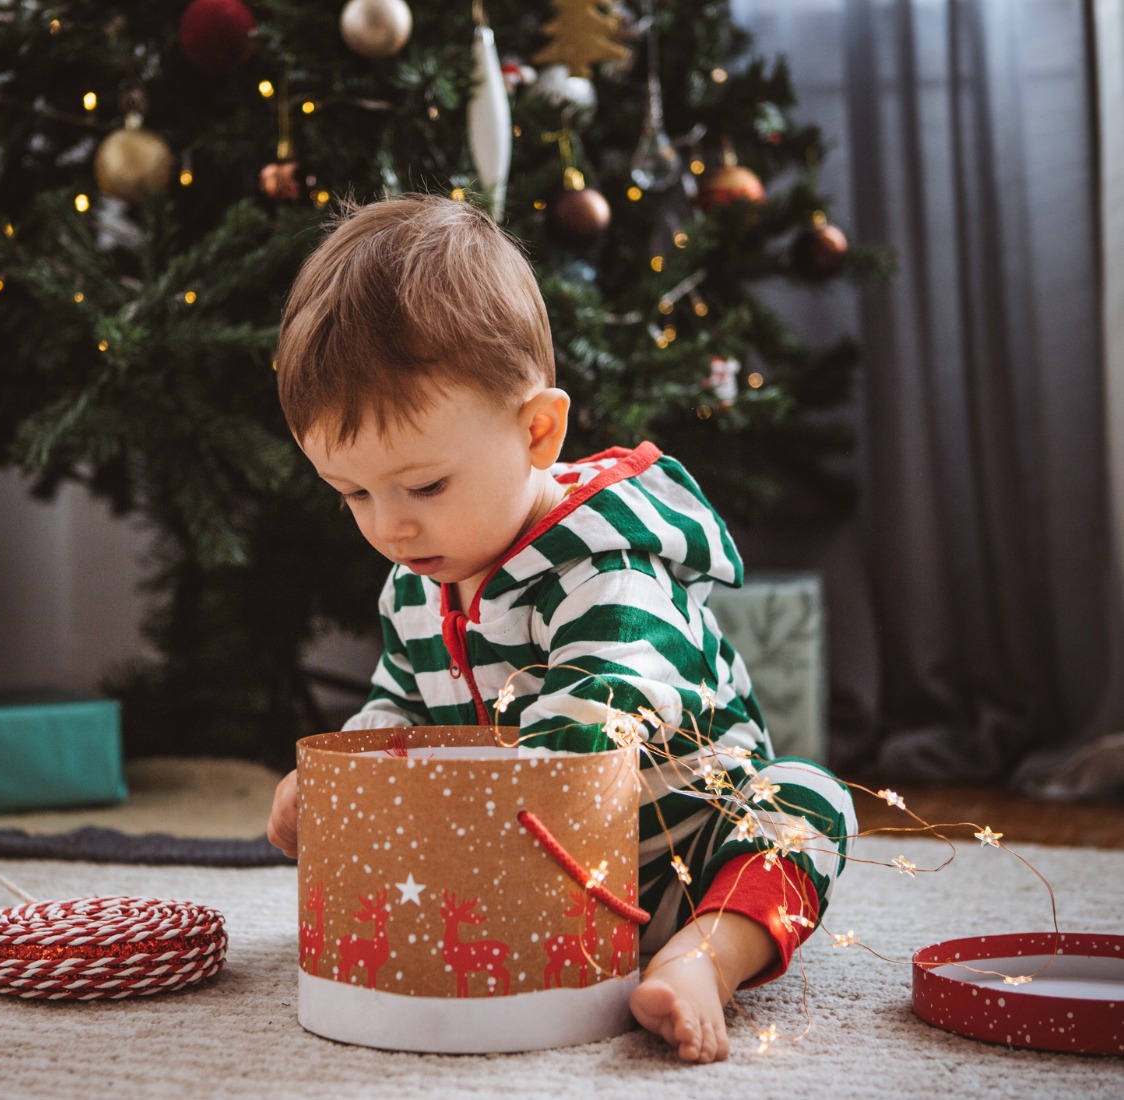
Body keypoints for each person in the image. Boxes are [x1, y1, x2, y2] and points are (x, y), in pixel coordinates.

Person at [265, 194, 856, 1063]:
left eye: (424, 487)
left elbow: (596, 721)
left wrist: (460, 802)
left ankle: (706, 959)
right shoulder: (415, 585)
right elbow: (398, 709)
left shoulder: (609, 564)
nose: (389, 528)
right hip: (540, 876)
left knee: (810, 804)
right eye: (352, 494)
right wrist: (349, 790)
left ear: (538, 430)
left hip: (684, 857)